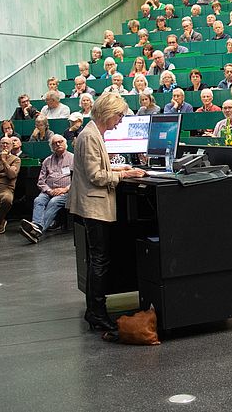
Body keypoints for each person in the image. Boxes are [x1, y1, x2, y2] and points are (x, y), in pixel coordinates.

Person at [68, 94, 147, 335]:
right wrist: (125, 175)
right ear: (107, 112)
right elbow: (97, 177)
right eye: (119, 115)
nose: (120, 121)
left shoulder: (92, 133)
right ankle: (97, 313)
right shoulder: (91, 136)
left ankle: (95, 310)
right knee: (99, 260)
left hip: (91, 205)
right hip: (94, 206)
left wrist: (117, 167)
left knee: (97, 259)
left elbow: (98, 167)